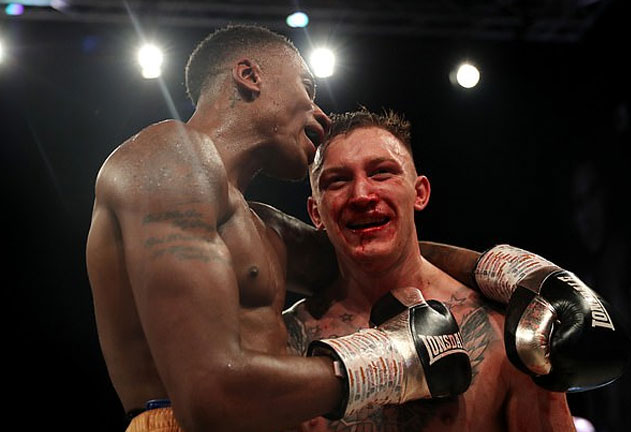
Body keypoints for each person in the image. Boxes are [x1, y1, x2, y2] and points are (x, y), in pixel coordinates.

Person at [85, 25, 471, 432]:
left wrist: (507, 269)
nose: (321, 114)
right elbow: (210, 397)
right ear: (250, 77)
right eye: (307, 88)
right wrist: (395, 360)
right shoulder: (167, 158)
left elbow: (391, 252)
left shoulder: (261, 226)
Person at [282, 108, 625, 431]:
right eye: (337, 181)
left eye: (381, 172)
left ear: (420, 193)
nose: (361, 194)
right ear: (315, 213)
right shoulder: (285, 341)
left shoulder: (503, 332)